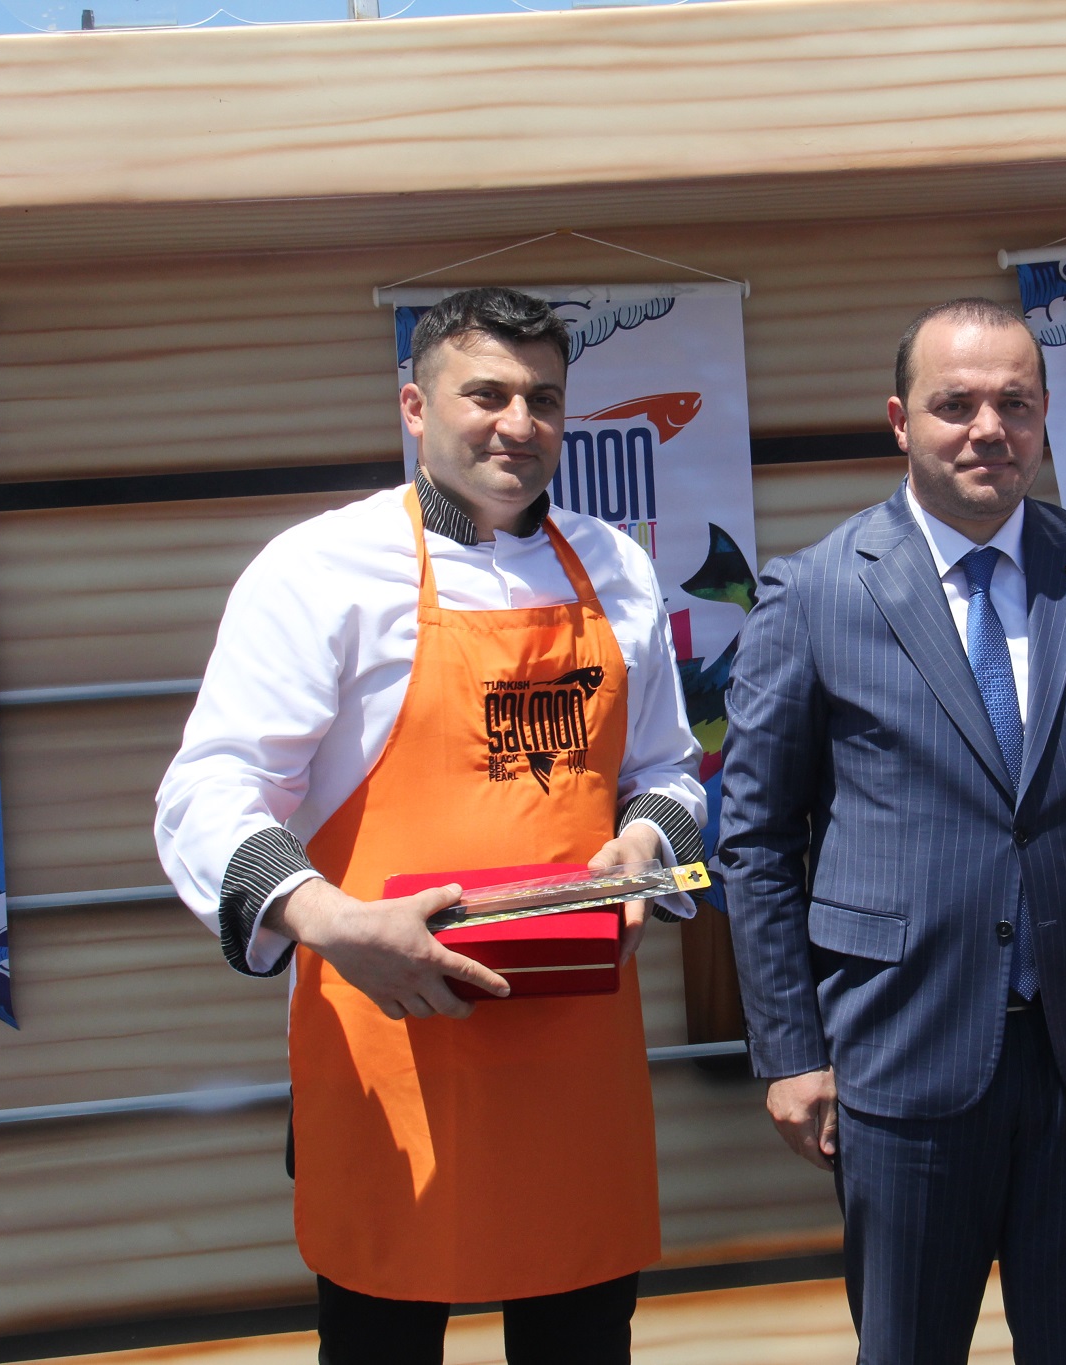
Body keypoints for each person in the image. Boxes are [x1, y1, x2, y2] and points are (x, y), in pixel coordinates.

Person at [154, 287, 705, 1365]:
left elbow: (668, 772)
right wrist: (329, 920)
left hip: (574, 1054)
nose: (518, 424)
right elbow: (208, 789)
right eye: (486, 394)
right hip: (391, 1041)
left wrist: (645, 851)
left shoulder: (618, 567)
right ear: (414, 406)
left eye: (543, 398)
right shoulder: (319, 570)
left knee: (582, 1340)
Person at [719, 297, 1066, 1365]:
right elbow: (754, 841)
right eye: (956, 404)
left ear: (1042, 418)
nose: (988, 428)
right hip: (901, 1054)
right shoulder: (813, 593)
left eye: (1014, 404)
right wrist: (790, 1050)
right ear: (900, 420)